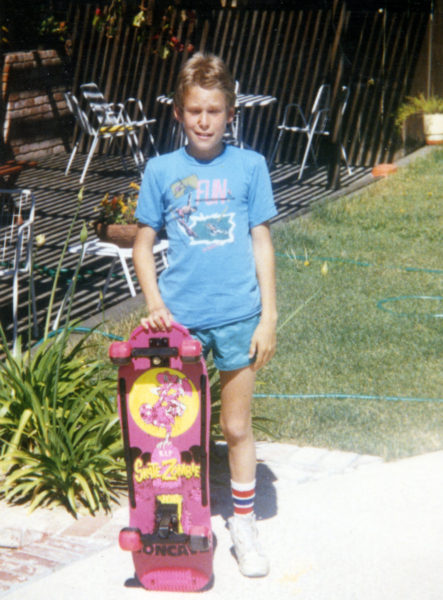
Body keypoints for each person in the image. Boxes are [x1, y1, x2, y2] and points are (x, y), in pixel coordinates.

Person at [132, 52, 277, 578]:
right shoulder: (161, 171)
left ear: (231, 112)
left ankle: (243, 525)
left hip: (239, 316)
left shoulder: (250, 167)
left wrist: (268, 317)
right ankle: (187, 522)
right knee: (177, 432)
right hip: (181, 326)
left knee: (236, 426)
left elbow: (261, 239)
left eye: (214, 111)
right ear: (177, 112)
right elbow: (143, 245)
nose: (204, 121)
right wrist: (154, 305)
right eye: (194, 110)